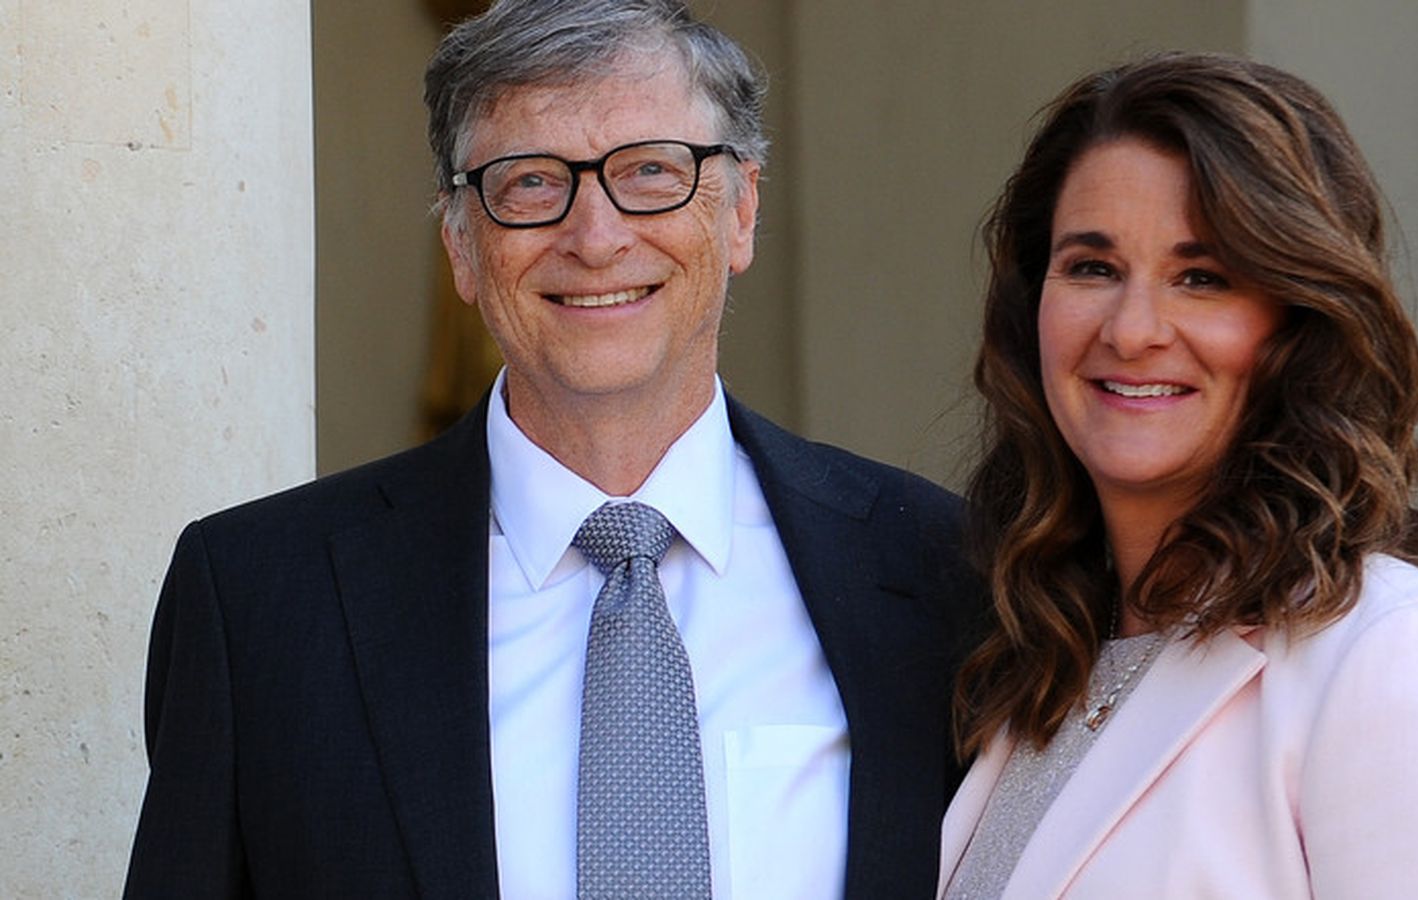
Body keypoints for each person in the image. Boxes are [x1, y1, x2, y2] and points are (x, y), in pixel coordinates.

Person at [124, 1, 978, 897]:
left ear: (740, 213)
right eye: (530, 181)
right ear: (461, 243)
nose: (597, 236)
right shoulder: (259, 599)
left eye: (653, 170)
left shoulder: (935, 570)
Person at [938, 52, 1418, 899]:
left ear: (1298, 320)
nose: (1132, 330)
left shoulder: (1395, 661)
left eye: (1203, 278)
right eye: (1093, 267)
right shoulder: (1034, 663)